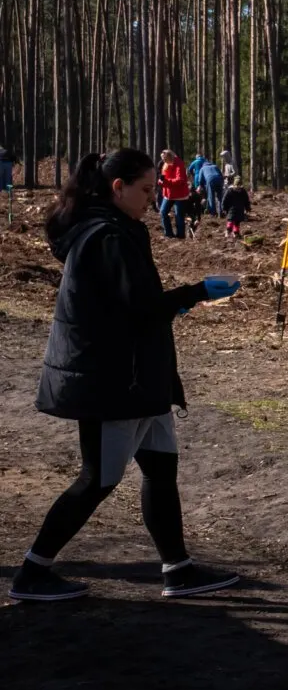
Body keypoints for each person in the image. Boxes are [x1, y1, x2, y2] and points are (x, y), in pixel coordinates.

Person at [8, 149, 242, 602]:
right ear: (119, 188)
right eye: (147, 190)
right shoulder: (105, 237)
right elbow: (139, 308)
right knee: (97, 479)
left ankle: (178, 569)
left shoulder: (117, 231)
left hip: (139, 378)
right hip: (113, 382)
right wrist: (196, 291)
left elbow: (134, 306)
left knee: (160, 469)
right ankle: (32, 572)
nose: (152, 200)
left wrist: (183, 301)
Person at [157, 150, 192, 240]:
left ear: (169, 157)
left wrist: (166, 181)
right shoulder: (165, 164)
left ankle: (180, 236)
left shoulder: (179, 164)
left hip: (180, 194)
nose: (163, 160)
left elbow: (180, 180)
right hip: (168, 193)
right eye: (162, 159)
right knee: (163, 212)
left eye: (165, 158)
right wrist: (161, 181)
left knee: (179, 215)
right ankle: (168, 234)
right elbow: (164, 177)